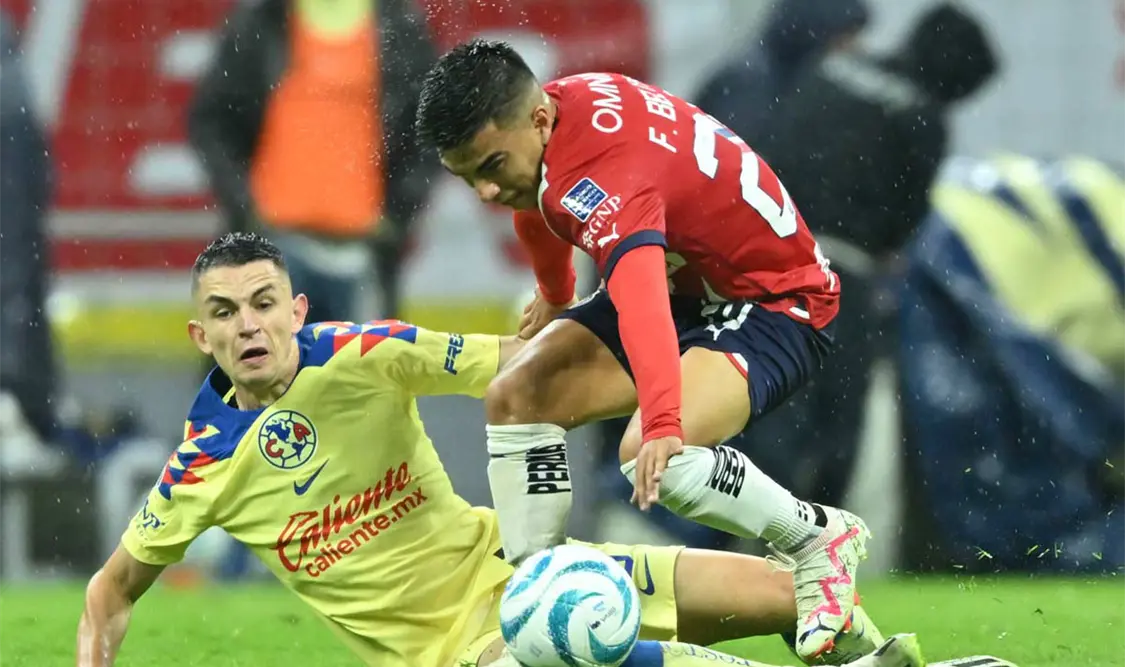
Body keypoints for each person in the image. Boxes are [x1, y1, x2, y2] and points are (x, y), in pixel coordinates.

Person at [75, 233, 894, 667]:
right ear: (200, 333)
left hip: (526, 574)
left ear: (296, 308)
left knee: (789, 595)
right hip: (464, 653)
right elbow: (108, 594)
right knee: (584, 651)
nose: (247, 324)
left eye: (262, 303)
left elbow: (524, 371)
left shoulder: (363, 353)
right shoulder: (201, 464)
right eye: (224, 311)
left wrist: (671, 358)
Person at [414, 41, 868, 662]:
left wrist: (661, 420)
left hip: (775, 303)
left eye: (491, 164)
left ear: (539, 119)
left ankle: (818, 538)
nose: (486, 191)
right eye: (468, 177)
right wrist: (555, 292)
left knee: (656, 457)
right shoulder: (557, 116)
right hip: (693, 284)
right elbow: (537, 204)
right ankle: (535, 592)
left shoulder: (604, 173)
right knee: (517, 396)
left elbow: (642, 298)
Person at [188, 0, 436, 324]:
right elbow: (212, 120)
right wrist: (244, 206)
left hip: (358, 250)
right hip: (278, 244)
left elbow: (430, 129)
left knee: (292, 368)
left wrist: (398, 211)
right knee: (349, 369)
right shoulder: (262, 22)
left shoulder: (400, 27)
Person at [693, 0, 869, 147]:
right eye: (843, 40)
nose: (852, 49)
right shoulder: (750, 84)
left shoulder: (786, 76)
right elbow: (738, 164)